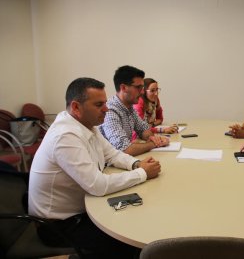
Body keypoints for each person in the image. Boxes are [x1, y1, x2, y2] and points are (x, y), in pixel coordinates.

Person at [28, 77, 161, 258]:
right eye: (99, 104)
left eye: (105, 103)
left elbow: (112, 154)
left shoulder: (87, 125)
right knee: (130, 243)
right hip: (59, 226)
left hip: (81, 211)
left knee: (137, 221)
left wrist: (137, 164)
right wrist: (142, 173)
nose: (106, 109)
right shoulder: (64, 136)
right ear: (76, 107)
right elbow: (98, 186)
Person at [99, 65, 170, 156]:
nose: (142, 92)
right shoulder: (110, 111)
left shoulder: (129, 107)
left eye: (142, 88)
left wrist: (153, 138)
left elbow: (143, 129)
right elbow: (125, 149)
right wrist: (153, 144)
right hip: (108, 167)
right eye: (138, 87)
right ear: (123, 88)